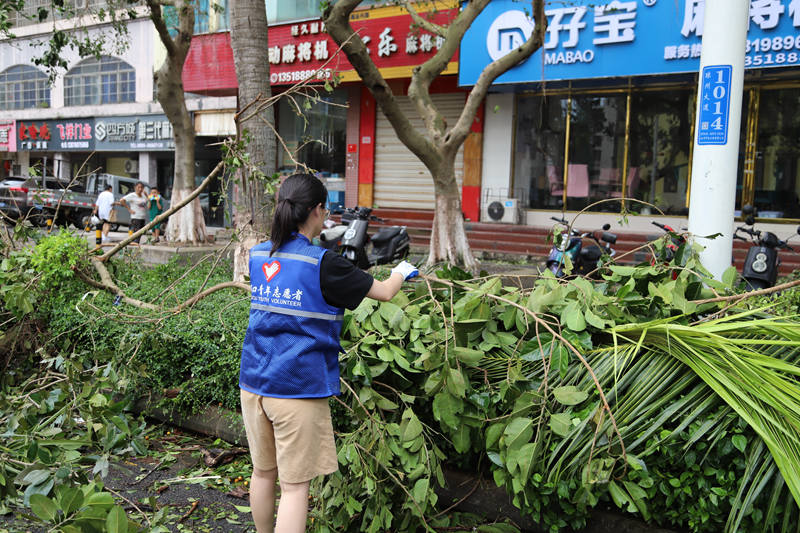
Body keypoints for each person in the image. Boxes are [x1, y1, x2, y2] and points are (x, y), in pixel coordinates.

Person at [239, 173, 418, 533]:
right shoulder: (323, 263)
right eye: (325, 210)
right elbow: (383, 292)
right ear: (318, 211)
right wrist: (402, 270)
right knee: (293, 488)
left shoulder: (258, 254)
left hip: (253, 383)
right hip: (296, 388)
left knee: (262, 472)